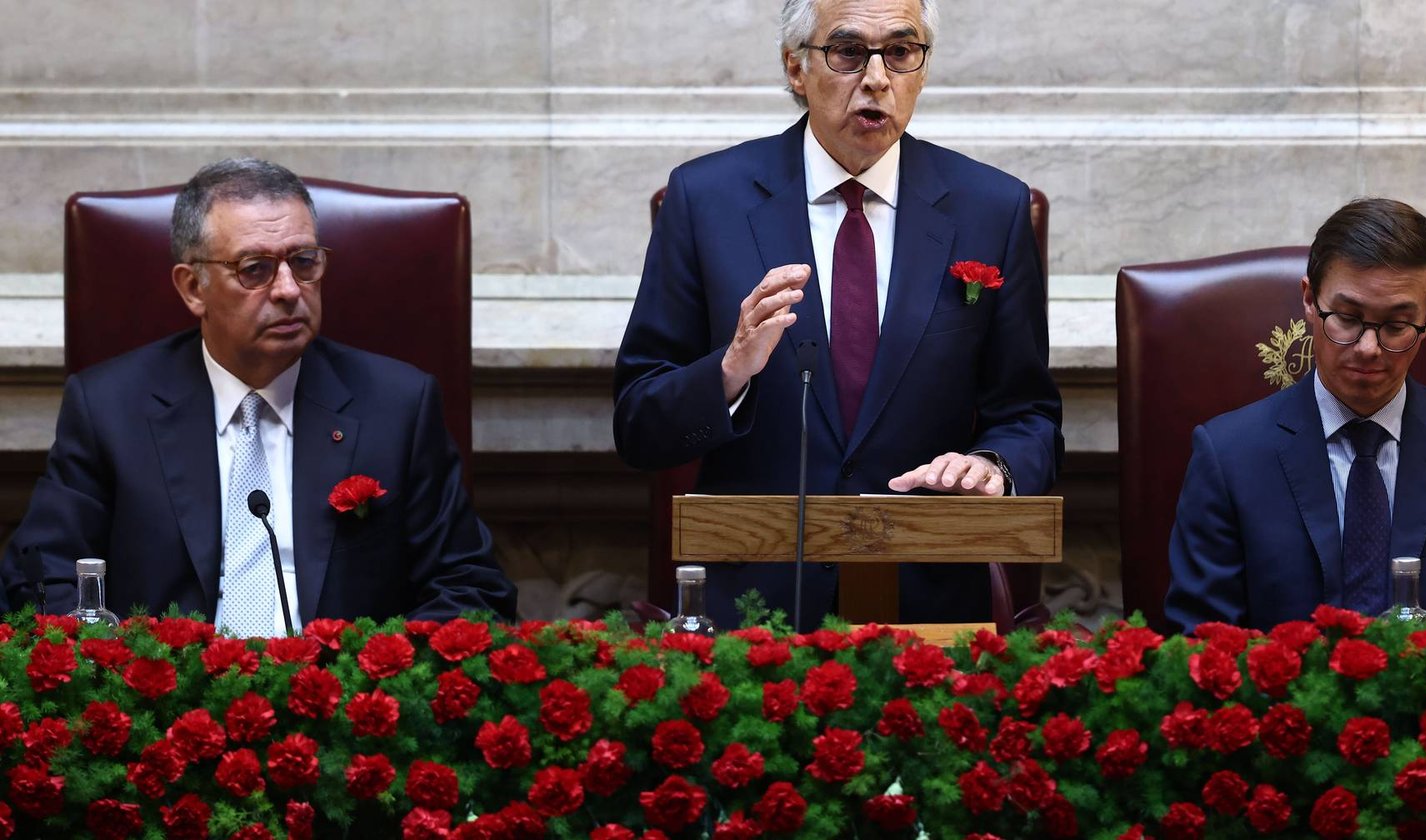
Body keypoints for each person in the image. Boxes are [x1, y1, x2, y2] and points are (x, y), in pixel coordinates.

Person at [613, 0, 1063, 629]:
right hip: (754, 612)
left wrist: (993, 466)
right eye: (849, 52)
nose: (877, 78)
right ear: (796, 68)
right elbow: (638, 425)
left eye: (900, 53)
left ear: (923, 68)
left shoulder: (992, 208)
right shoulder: (706, 200)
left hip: (929, 607)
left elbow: (1029, 414)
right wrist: (730, 371)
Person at [1, 158, 516, 632]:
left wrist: (381, 676)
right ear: (193, 288)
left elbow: (470, 587)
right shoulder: (109, 409)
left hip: (341, 691)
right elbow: (41, 578)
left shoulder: (398, 406)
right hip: (166, 692)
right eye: (255, 269)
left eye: (304, 261)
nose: (289, 289)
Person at [1165, 198, 1426, 633]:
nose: (1368, 348)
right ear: (1310, 299)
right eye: (1346, 318)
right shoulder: (1227, 457)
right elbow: (1201, 646)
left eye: (1396, 326)